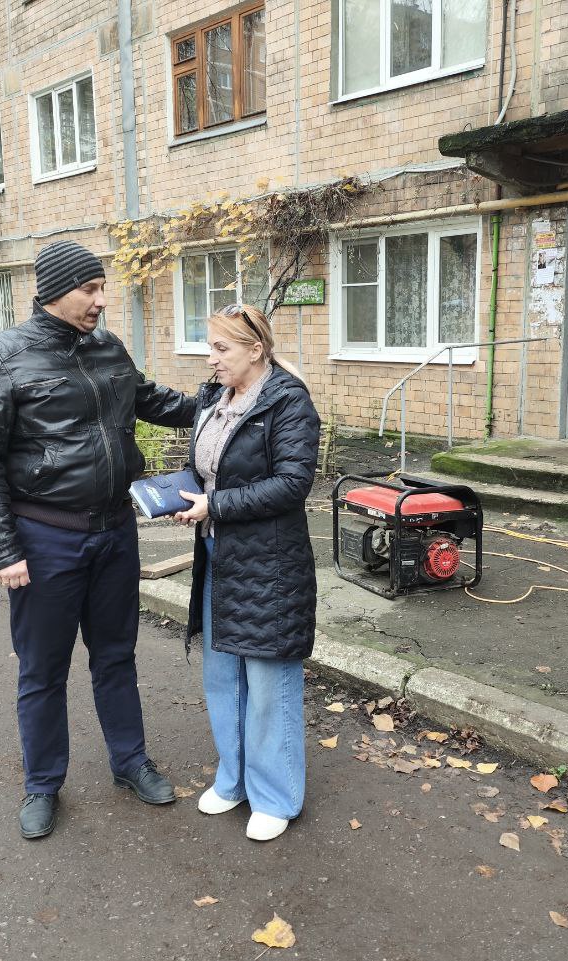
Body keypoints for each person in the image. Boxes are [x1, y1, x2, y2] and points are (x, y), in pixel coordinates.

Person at [0, 240, 197, 840]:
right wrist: (4, 550)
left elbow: (145, 400)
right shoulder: (0, 358)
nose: (99, 300)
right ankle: (43, 784)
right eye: (89, 289)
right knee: (43, 669)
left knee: (116, 655)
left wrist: (219, 399)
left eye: (100, 288)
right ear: (54, 291)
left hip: (114, 531)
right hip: (45, 539)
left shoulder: (106, 347)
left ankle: (129, 761)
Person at [173, 303, 320, 842]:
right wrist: (181, 493)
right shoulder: (217, 398)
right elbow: (210, 467)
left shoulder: (287, 404)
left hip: (269, 567)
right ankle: (233, 780)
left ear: (256, 349)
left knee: (267, 681)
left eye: (221, 348)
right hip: (219, 556)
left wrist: (217, 506)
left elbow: (291, 484)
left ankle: (276, 796)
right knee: (221, 676)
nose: (211, 359)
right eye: (209, 346)